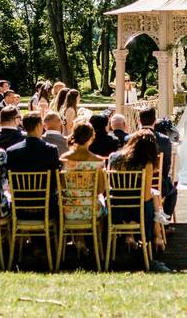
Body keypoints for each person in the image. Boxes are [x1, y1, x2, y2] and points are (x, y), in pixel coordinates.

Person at [107, 129, 171, 267]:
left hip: (116, 208)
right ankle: (156, 237)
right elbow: (146, 195)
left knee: (150, 198)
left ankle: (131, 237)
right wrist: (154, 198)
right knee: (152, 197)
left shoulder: (113, 157)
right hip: (138, 210)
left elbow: (110, 184)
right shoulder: (146, 163)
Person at [60, 121, 106, 257]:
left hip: (68, 210)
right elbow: (99, 190)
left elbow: (62, 186)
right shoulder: (97, 161)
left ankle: (79, 240)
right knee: (102, 204)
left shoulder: (64, 159)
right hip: (90, 210)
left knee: (75, 200)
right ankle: (97, 244)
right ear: (91, 137)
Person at [7, 112, 60, 213]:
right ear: (38, 126)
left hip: (19, 206)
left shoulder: (11, 151)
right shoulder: (51, 150)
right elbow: (55, 178)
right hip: (47, 206)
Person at [138, 106, 177, 218]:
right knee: (173, 191)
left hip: (137, 182)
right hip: (158, 183)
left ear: (139, 121)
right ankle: (165, 221)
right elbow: (166, 166)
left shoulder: (129, 138)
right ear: (155, 120)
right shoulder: (164, 140)